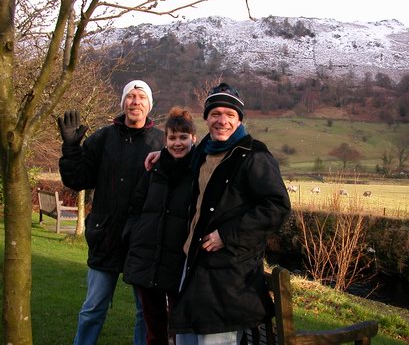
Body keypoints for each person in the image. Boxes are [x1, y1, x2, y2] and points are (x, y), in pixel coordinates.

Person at [168, 82, 292, 344]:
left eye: (229, 115)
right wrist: (160, 155)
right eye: (215, 114)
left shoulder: (253, 154)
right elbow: (180, 157)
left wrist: (227, 234)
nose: (221, 120)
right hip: (194, 267)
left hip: (229, 279)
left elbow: (277, 206)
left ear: (239, 120)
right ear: (206, 118)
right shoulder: (203, 151)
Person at [57, 80, 164, 345]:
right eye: (130, 96)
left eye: (141, 97)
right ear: (123, 103)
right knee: (93, 308)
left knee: (145, 313)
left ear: (149, 105)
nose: (135, 101)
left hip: (142, 242)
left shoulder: (160, 141)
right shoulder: (104, 138)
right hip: (104, 236)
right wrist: (71, 148)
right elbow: (78, 178)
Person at [123, 107, 196, 345]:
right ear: (164, 140)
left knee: (179, 331)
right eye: (172, 138)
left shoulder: (198, 172)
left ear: (193, 138)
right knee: (153, 331)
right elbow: (136, 206)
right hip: (148, 258)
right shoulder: (154, 169)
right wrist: (133, 236)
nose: (177, 143)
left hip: (178, 262)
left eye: (183, 137)